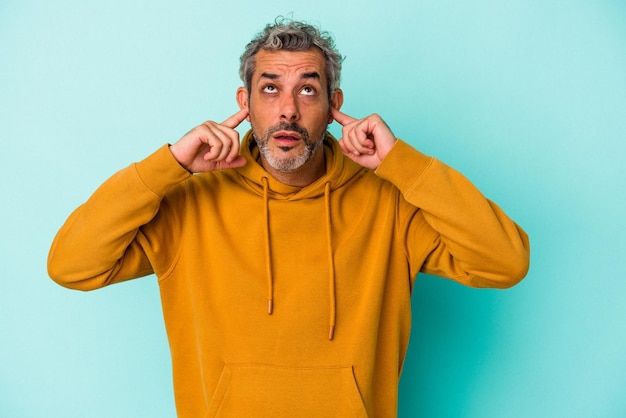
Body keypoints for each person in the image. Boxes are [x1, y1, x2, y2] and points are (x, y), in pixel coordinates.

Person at [48, 18, 530, 418]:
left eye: (307, 90)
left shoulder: (392, 204)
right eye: (271, 88)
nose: (287, 111)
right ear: (245, 103)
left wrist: (404, 164)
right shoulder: (189, 204)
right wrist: (168, 165)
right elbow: (72, 265)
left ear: (333, 106)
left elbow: (504, 262)